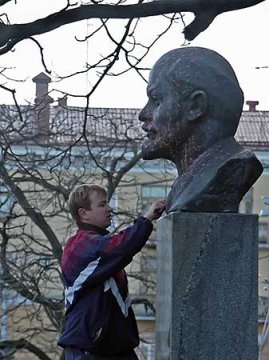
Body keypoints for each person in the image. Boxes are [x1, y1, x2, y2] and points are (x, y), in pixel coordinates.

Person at [139, 46, 263, 213]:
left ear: (196, 106)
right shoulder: (186, 186)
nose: (143, 114)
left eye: (156, 100)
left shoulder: (226, 170)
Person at [58, 183, 166, 360]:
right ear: (83, 213)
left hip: (115, 350)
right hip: (91, 352)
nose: (109, 209)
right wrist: (146, 219)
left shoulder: (98, 243)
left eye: (108, 203)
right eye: (102, 205)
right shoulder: (79, 246)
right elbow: (120, 246)